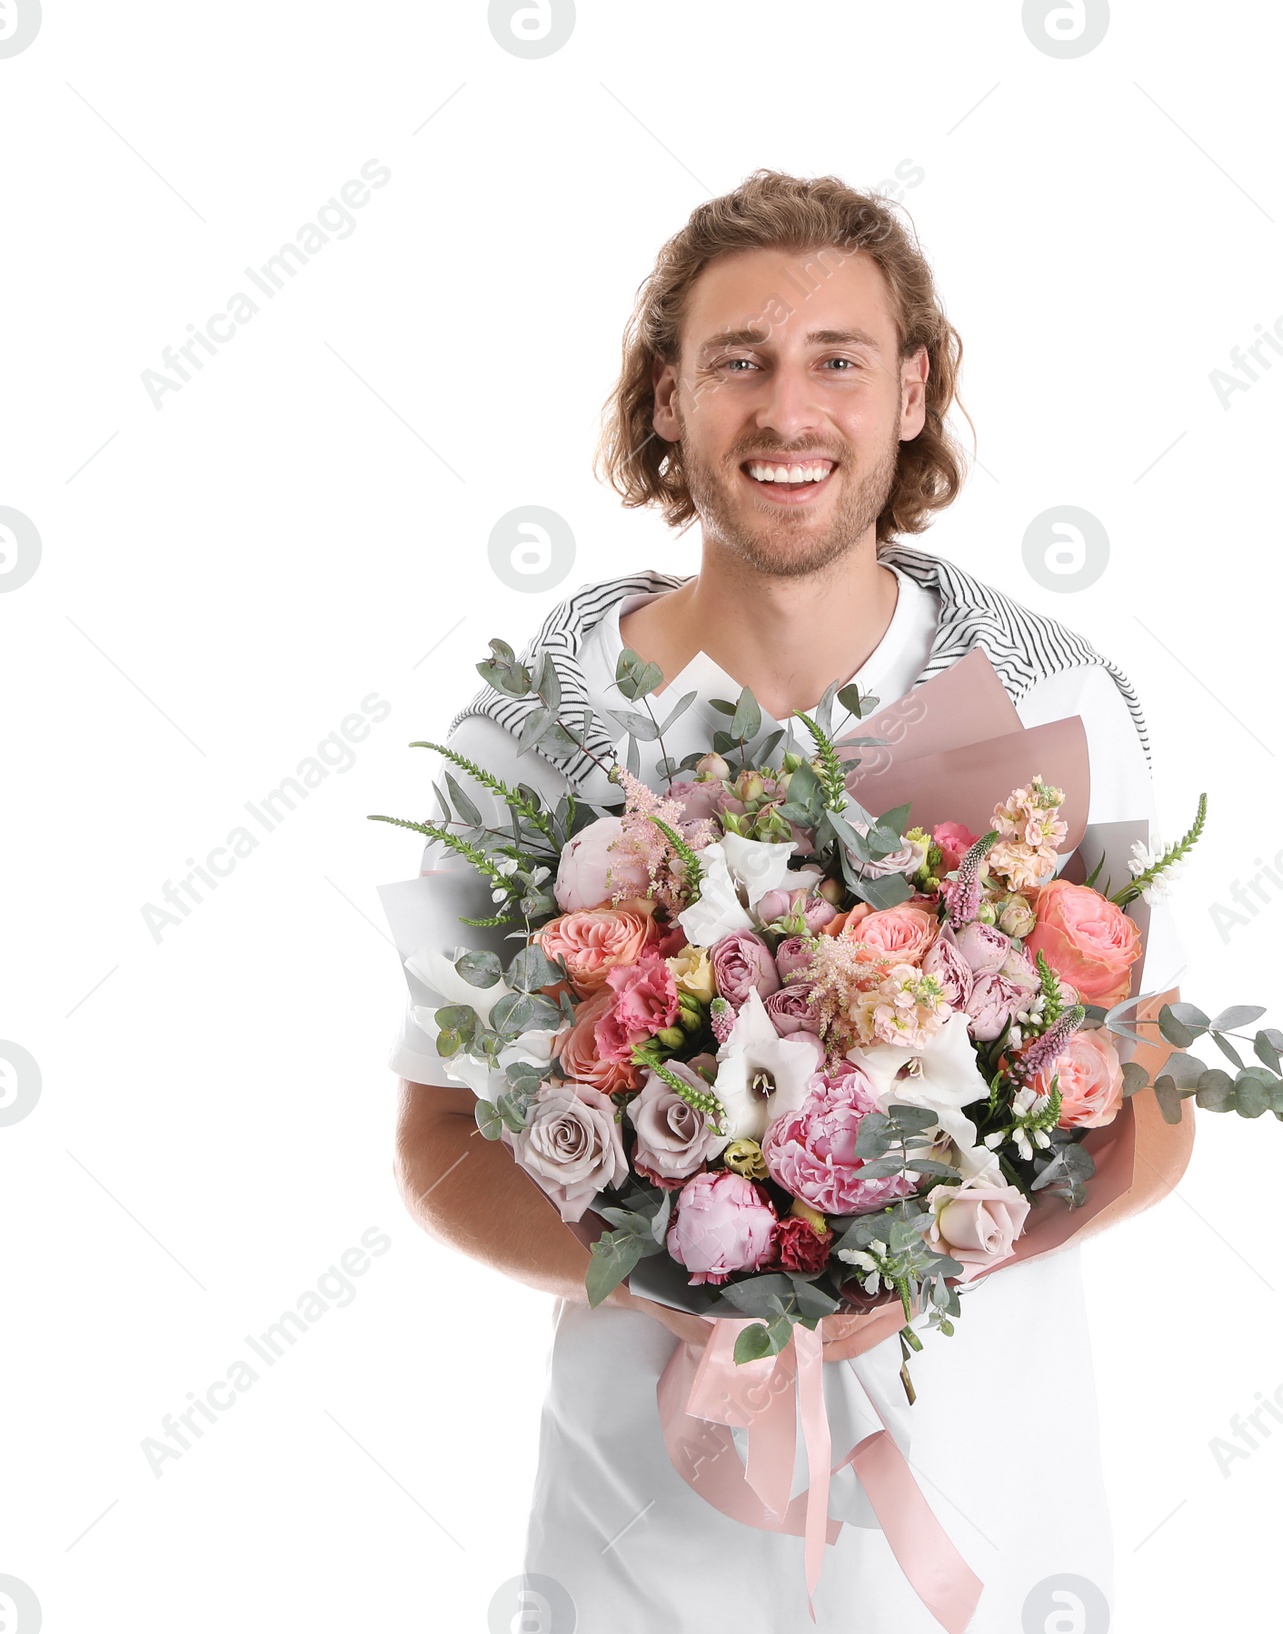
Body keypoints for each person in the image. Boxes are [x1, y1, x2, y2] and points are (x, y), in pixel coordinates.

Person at [389, 170, 1194, 1633]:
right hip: (641, 1550)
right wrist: (681, 1277)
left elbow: (1158, 1103)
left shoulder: (1053, 698)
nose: (787, 411)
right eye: (736, 362)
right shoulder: (535, 731)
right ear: (663, 402)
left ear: (911, 391)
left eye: (838, 357)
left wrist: (921, 1258)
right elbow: (441, 1140)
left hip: (984, 1526)